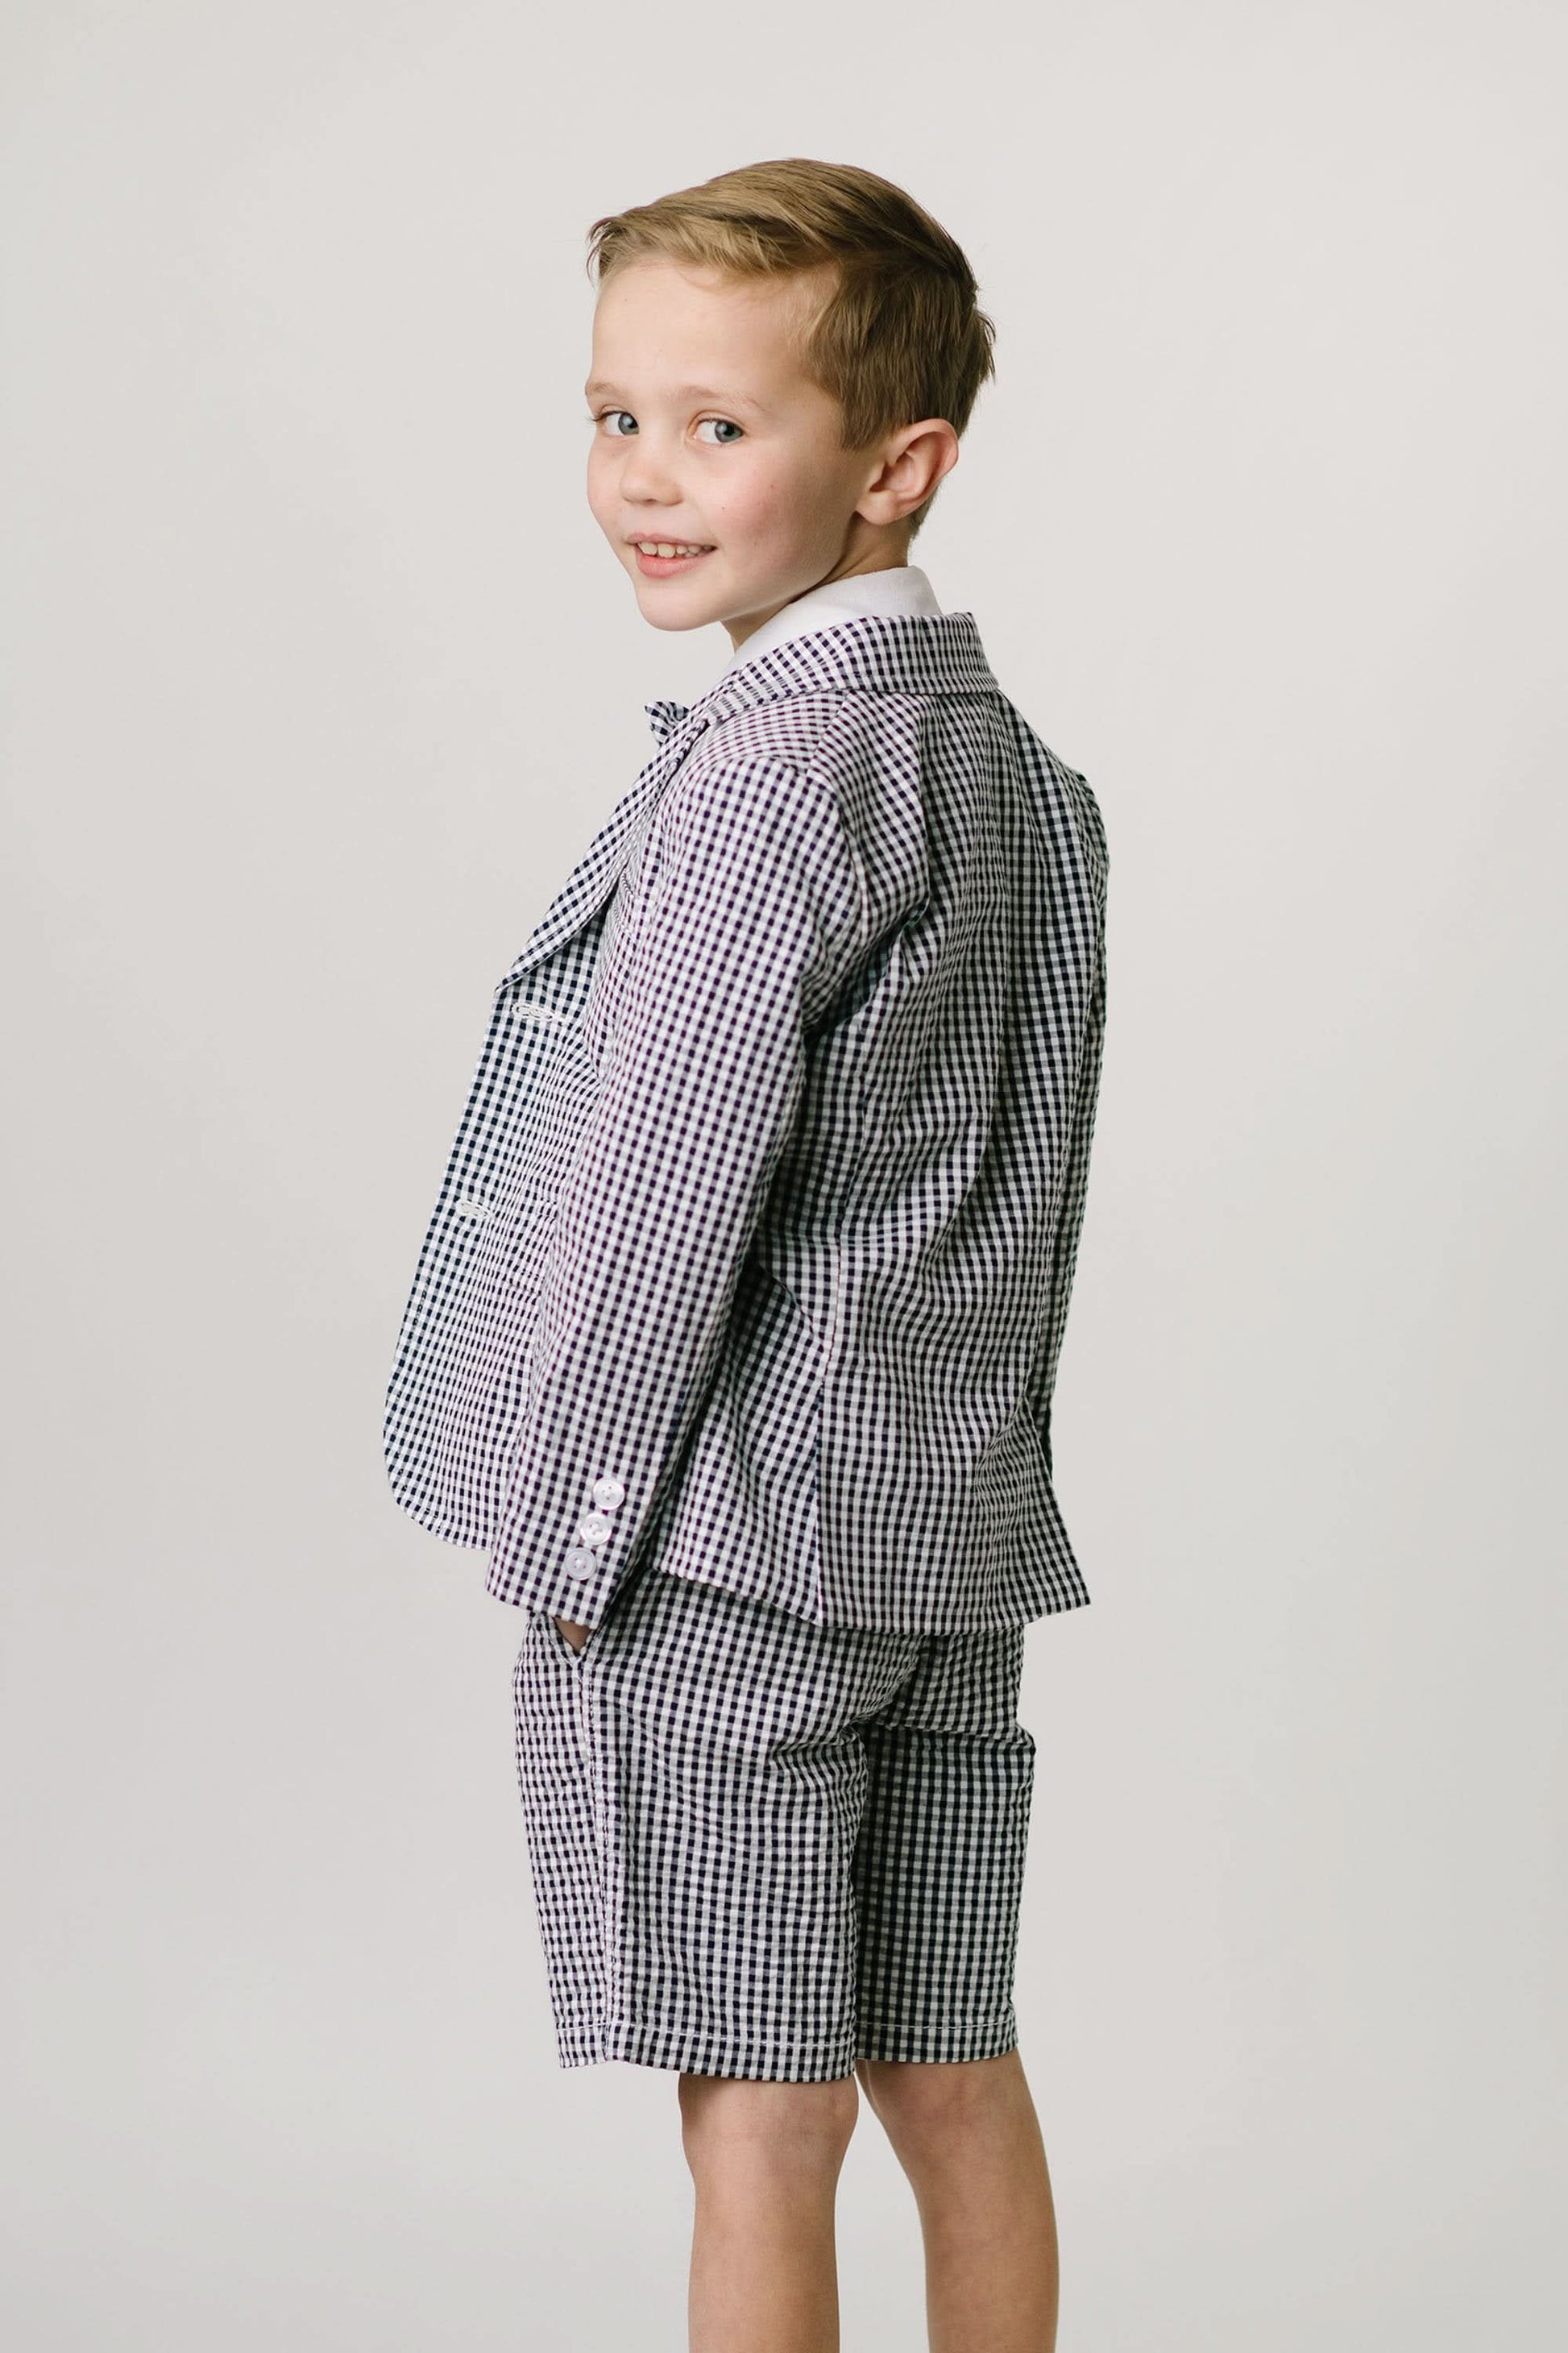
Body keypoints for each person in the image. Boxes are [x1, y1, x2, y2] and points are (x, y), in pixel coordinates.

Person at [383, 156, 1110, 2353]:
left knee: (759, 2122)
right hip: (943, 1538)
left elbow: (658, 1198)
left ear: (896, 467)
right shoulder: (1020, 778)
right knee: (950, 2063)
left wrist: (570, 1530)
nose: (644, 477)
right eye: (616, 416)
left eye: (718, 427)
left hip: (723, 1556)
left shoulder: (769, 781)